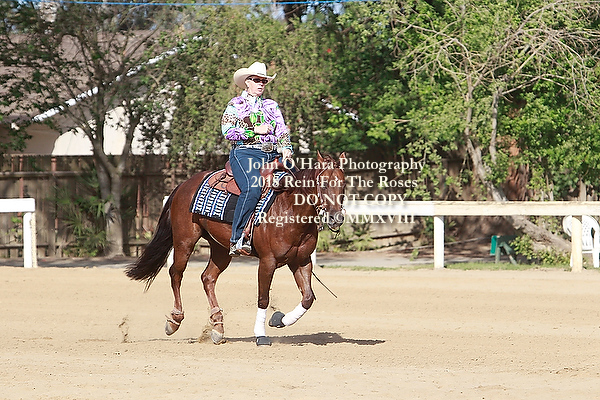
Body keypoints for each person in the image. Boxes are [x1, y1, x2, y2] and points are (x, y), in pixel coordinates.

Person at [221, 61, 293, 256]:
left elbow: (281, 130)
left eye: (264, 81)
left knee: (299, 181)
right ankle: (237, 238)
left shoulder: (272, 105)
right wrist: (254, 130)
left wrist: (287, 148)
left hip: (272, 153)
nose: (261, 84)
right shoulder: (235, 104)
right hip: (245, 152)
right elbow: (227, 131)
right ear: (247, 82)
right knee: (252, 188)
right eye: (257, 80)